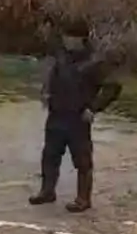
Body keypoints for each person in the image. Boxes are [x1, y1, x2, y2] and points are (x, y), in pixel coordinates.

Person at [29, 19, 122, 212]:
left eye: (70, 38)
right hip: (56, 114)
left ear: (81, 39)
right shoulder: (61, 56)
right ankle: (47, 191)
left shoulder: (94, 62)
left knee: (82, 159)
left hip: (78, 117)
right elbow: (52, 76)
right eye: (64, 38)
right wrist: (46, 93)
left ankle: (83, 199)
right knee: (50, 155)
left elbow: (112, 87)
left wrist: (94, 108)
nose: (66, 41)